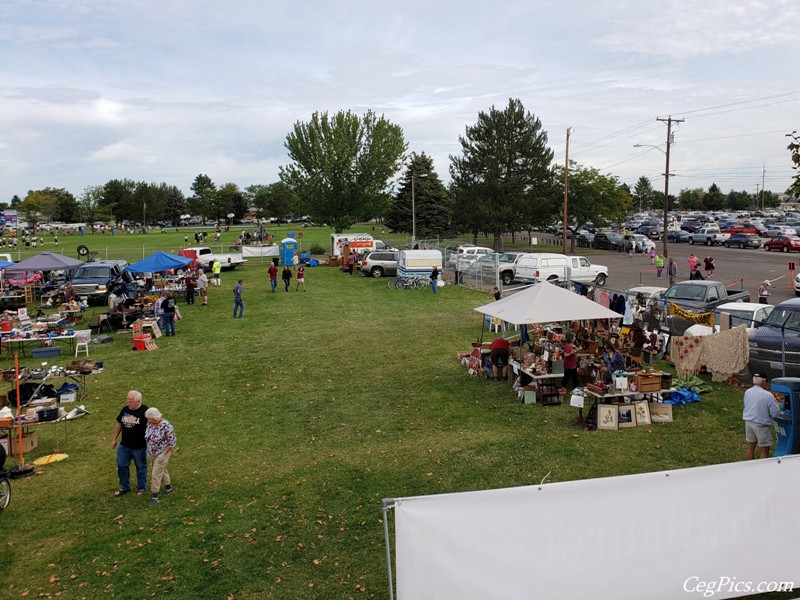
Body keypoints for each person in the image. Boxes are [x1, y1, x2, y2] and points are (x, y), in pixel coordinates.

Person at [111, 391, 149, 497]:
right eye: (128, 401)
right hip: (125, 445)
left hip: (139, 447)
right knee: (121, 465)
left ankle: (141, 488)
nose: (129, 404)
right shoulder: (125, 410)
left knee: (141, 467)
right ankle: (124, 487)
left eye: (131, 402)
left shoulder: (145, 412)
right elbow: (119, 424)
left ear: (138, 401)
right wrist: (114, 439)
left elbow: (150, 429)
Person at [144, 407, 176, 506]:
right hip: (152, 452)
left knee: (156, 473)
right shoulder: (150, 423)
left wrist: (164, 453)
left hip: (163, 453)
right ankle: (168, 488)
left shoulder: (166, 426)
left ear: (155, 417)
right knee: (161, 469)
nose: (148, 420)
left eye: (150, 418)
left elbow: (172, 442)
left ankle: (155, 495)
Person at [743, 374, 780, 459]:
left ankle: (749, 466)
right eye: (766, 382)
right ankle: (762, 470)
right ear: (763, 382)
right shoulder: (768, 395)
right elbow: (775, 413)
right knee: (764, 448)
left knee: (751, 446)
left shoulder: (748, 392)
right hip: (761, 424)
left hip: (748, 422)